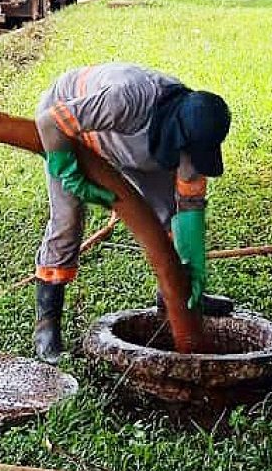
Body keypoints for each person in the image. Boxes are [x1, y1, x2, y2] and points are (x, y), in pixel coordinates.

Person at [32, 63, 233, 363]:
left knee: (167, 218)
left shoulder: (193, 125)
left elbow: (189, 203)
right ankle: (46, 328)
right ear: (178, 139)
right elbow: (50, 123)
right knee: (68, 223)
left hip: (128, 144)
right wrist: (70, 174)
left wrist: (195, 267)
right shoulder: (127, 99)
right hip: (68, 131)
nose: (189, 162)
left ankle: (175, 296)